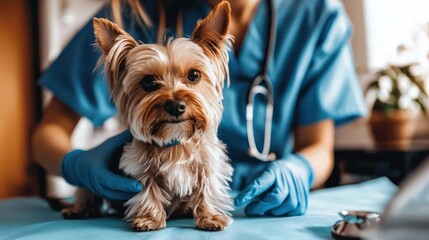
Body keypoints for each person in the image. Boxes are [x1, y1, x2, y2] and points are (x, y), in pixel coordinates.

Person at [32, 0, 366, 217]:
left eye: (193, 76)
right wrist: (75, 165)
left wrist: (300, 170)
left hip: (261, 208)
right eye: (151, 83)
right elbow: (47, 135)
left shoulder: (316, 15)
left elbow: (319, 148)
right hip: (150, 201)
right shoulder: (132, 14)